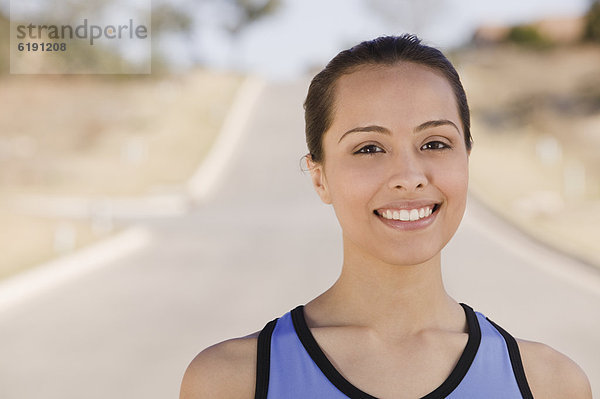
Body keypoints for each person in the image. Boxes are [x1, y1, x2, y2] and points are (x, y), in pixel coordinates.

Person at [179, 34, 592, 399]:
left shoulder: (550, 385)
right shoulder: (232, 381)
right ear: (319, 177)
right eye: (369, 148)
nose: (409, 178)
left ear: (467, 158)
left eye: (434, 142)